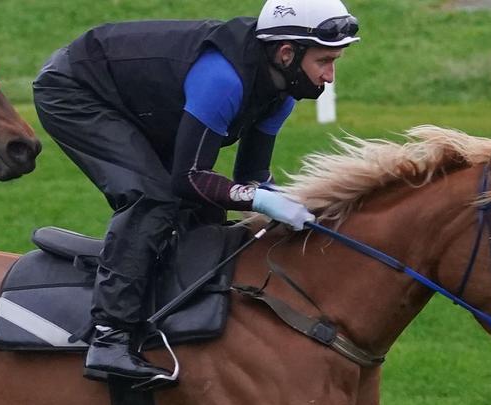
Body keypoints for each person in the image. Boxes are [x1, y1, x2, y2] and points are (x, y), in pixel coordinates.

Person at [32, 0, 360, 383]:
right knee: (153, 198)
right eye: (324, 61)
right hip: (75, 90)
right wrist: (260, 199)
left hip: (139, 102)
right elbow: (189, 177)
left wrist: (283, 199)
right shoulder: (223, 79)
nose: (331, 76)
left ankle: (173, 319)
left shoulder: (282, 93)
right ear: (287, 53)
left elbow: (251, 176)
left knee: (204, 211)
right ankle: (109, 339)